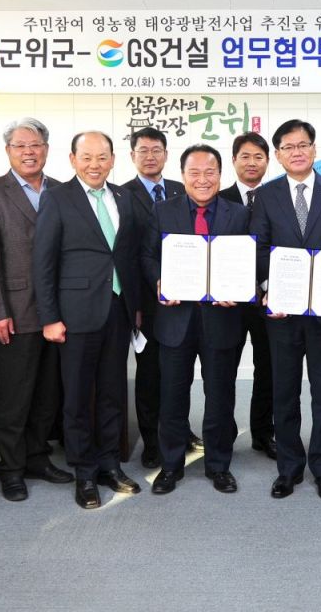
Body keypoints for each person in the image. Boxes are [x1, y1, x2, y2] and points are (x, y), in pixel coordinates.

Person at [249, 119, 321, 502]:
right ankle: (289, 468)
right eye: (288, 147)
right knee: (285, 394)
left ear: (314, 150)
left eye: (303, 145)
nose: (296, 152)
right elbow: (259, 248)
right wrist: (270, 289)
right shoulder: (266, 195)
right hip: (282, 315)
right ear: (278, 155)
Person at [33, 131, 144, 509]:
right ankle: (84, 472)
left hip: (118, 310)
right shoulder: (57, 197)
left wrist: (136, 306)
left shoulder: (124, 197)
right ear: (72, 159)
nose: (95, 165)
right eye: (87, 157)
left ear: (113, 160)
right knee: (78, 396)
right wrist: (50, 317)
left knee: (113, 392)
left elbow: (128, 255)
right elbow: (43, 262)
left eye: (102, 157)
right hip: (75, 313)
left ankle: (110, 464)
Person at [143, 144, 250, 494]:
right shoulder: (163, 210)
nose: (203, 179)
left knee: (220, 395)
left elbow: (250, 259)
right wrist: (159, 281)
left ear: (220, 174)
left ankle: (219, 465)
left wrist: (240, 287)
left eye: (210, 172)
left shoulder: (239, 214)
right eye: (195, 172)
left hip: (222, 319)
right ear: (183, 175)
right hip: (176, 320)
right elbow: (148, 256)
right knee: (172, 395)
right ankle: (171, 465)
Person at [0, 117, 71, 502]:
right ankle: (11, 468)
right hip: (15, 311)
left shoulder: (62, 190)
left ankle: (37, 457)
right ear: (8, 151)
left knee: (48, 394)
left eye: (36, 145)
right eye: (20, 146)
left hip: (58, 311)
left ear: (46, 149)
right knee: (15, 396)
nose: (29, 152)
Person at [119, 126, 195, 468]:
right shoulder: (121, 195)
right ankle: (152, 441)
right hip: (146, 304)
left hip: (186, 300)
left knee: (180, 372)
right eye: (143, 151)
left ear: (166, 154)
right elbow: (125, 255)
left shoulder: (184, 189)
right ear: (132, 155)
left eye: (156, 150)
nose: (150, 156)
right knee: (149, 374)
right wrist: (134, 305)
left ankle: (180, 431)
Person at [219, 132, 275, 460]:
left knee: (268, 369)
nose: (252, 163)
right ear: (234, 160)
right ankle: (223, 432)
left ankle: (263, 432)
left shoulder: (278, 197)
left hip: (268, 300)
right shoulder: (218, 198)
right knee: (224, 369)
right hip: (228, 303)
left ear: (267, 161)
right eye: (245, 156)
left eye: (258, 157)